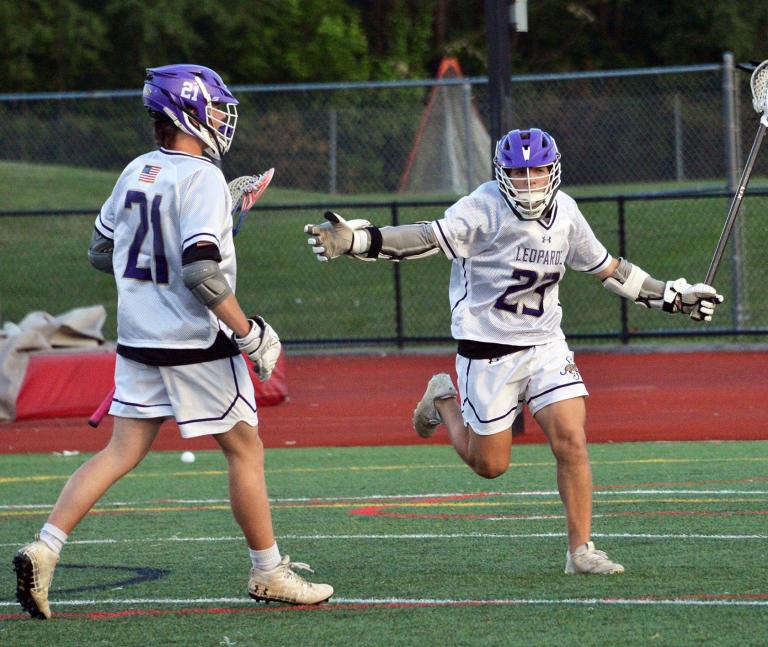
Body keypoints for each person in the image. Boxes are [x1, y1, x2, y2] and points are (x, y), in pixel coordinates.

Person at [303, 128, 723, 575]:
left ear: (553, 170)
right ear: (502, 174)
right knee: (490, 466)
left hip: (544, 344)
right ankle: (443, 398)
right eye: (518, 172)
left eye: (537, 170)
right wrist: (360, 240)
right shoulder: (483, 206)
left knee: (572, 440)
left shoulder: (566, 213)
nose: (528, 182)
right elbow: (426, 237)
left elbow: (608, 269)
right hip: (486, 347)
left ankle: (580, 551)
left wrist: (674, 297)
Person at [13, 64, 333, 620]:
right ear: (187, 113)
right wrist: (248, 331)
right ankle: (268, 571)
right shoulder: (202, 177)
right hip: (194, 342)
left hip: (139, 339)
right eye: (213, 108)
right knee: (245, 449)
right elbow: (202, 272)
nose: (220, 119)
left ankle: (45, 545)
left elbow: (99, 252)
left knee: (120, 451)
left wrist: (211, 219)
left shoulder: (135, 170)